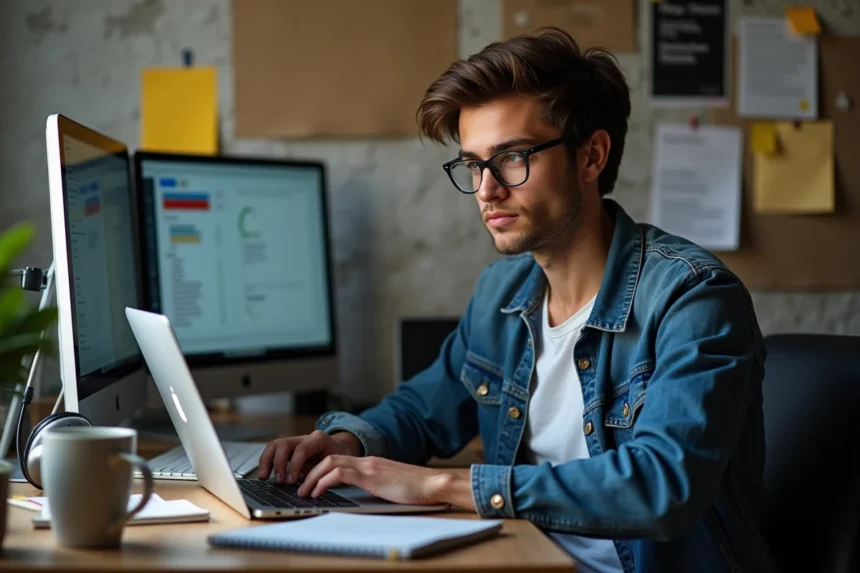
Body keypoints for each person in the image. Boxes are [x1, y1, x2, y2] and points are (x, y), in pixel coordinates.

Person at [257, 27, 777, 573]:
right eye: (473, 164)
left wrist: (439, 484)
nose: (487, 190)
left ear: (591, 156)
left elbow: (659, 487)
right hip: (527, 559)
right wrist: (344, 442)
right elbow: (424, 410)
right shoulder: (501, 293)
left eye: (512, 157)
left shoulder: (693, 298)